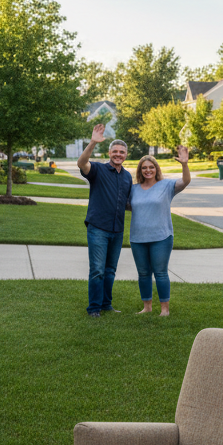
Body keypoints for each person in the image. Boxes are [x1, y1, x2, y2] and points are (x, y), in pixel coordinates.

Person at [129, 147, 191, 316]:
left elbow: (185, 181)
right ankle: (147, 307)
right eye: (144, 168)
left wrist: (185, 164)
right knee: (143, 273)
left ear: (156, 169)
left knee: (160, 273)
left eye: (151, 167)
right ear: (140, 171)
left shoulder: (167, 185)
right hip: (137, 238)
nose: (148, 170)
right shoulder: (133, 189)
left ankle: (165, 310)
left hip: (161, 237)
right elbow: (124, 205)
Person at [77, 124, 131, 317]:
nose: (118, 154)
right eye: (115, 151)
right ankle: (94, 308)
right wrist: (93, 142)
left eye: (122, 152)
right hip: (98, 228)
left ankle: (106, 304)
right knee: (98, 270)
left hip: (117, 230)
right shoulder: (98, 169)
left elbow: (127, 203)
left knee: (110, 271)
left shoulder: (127, 177)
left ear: (126, 155)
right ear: (109, 153)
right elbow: (81, 163)